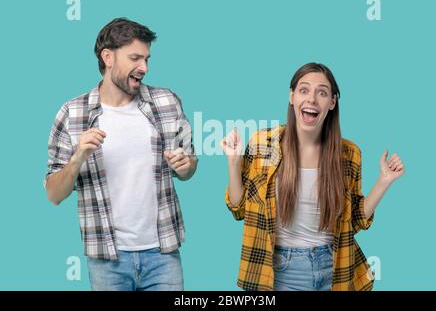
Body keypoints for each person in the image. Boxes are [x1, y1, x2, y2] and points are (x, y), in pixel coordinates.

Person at [221, 62, 404, 291]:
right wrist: (233, 162)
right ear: (292, 97)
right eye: (304, 90)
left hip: (335, 268)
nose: (312, 99)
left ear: (332, 102)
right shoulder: (263, 144)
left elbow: (354, 220)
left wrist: (384, 181)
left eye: (322, 93)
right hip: (281, 270)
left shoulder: (349, 154)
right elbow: (239, 208)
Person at [44, 18, 197, 291]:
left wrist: (187, 166)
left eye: (147, 59)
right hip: (107, 259)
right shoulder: (72, 113)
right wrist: (78, 157)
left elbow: (189, 165)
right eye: (135, 58)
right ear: (108, 57)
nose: (144, 68)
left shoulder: (167, 101)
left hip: (164, 253)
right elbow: (54, 194)